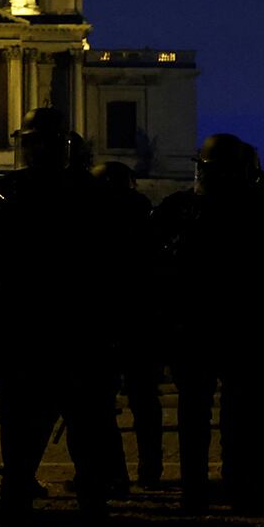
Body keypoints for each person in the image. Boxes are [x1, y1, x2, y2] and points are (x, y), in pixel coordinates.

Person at [0, 107, 122, 520]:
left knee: (52, 416)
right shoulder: (89, 192)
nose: (38, 150)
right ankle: (65, 494)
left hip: (42, 318)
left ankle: (32, 492)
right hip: (62, 320)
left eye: (44, 142)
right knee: (56, 416)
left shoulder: (13, 191)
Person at [154, 134, 264, 512]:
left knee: (196, 410)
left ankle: (195, 490)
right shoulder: (259, 210)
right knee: (238, 409)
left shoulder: (180, 208)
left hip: (194, 325)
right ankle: (239, 485)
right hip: (239, 324)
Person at [96, 159, 166, 494]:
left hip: (106, 319)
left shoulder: (94, 222)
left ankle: (114, 473)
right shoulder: (146, 218)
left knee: (101, 400)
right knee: (145, 401)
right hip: (143, 319)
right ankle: (150, 469)